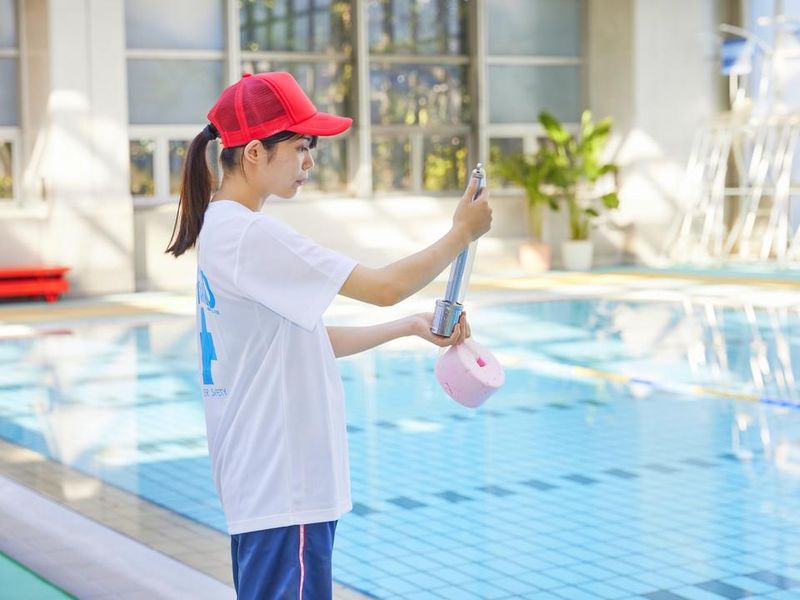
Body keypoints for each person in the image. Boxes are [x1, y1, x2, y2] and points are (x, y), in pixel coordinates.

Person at [166, 71, 492, 599]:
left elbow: (300, 341)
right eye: (300, 147)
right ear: (255, 152)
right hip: (285, 489)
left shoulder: (222, 230)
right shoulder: (251, 235)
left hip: (267, 489)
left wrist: (409, 327)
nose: (309, 162)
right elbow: (384, 287)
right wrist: (461, 233)